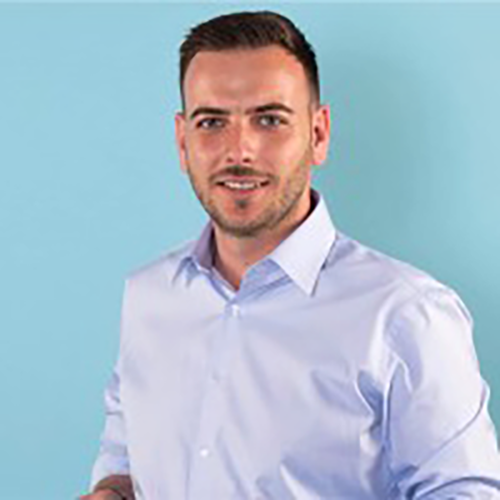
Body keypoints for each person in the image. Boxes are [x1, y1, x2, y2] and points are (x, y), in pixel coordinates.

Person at [79, 10, 500, 500]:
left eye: (269, 120)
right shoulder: (149, 296)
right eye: (212, 122)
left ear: (318, 134)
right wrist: (111, 493)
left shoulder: (406, 314)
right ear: (182, 141)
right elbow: (126, 462)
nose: (239, 151)